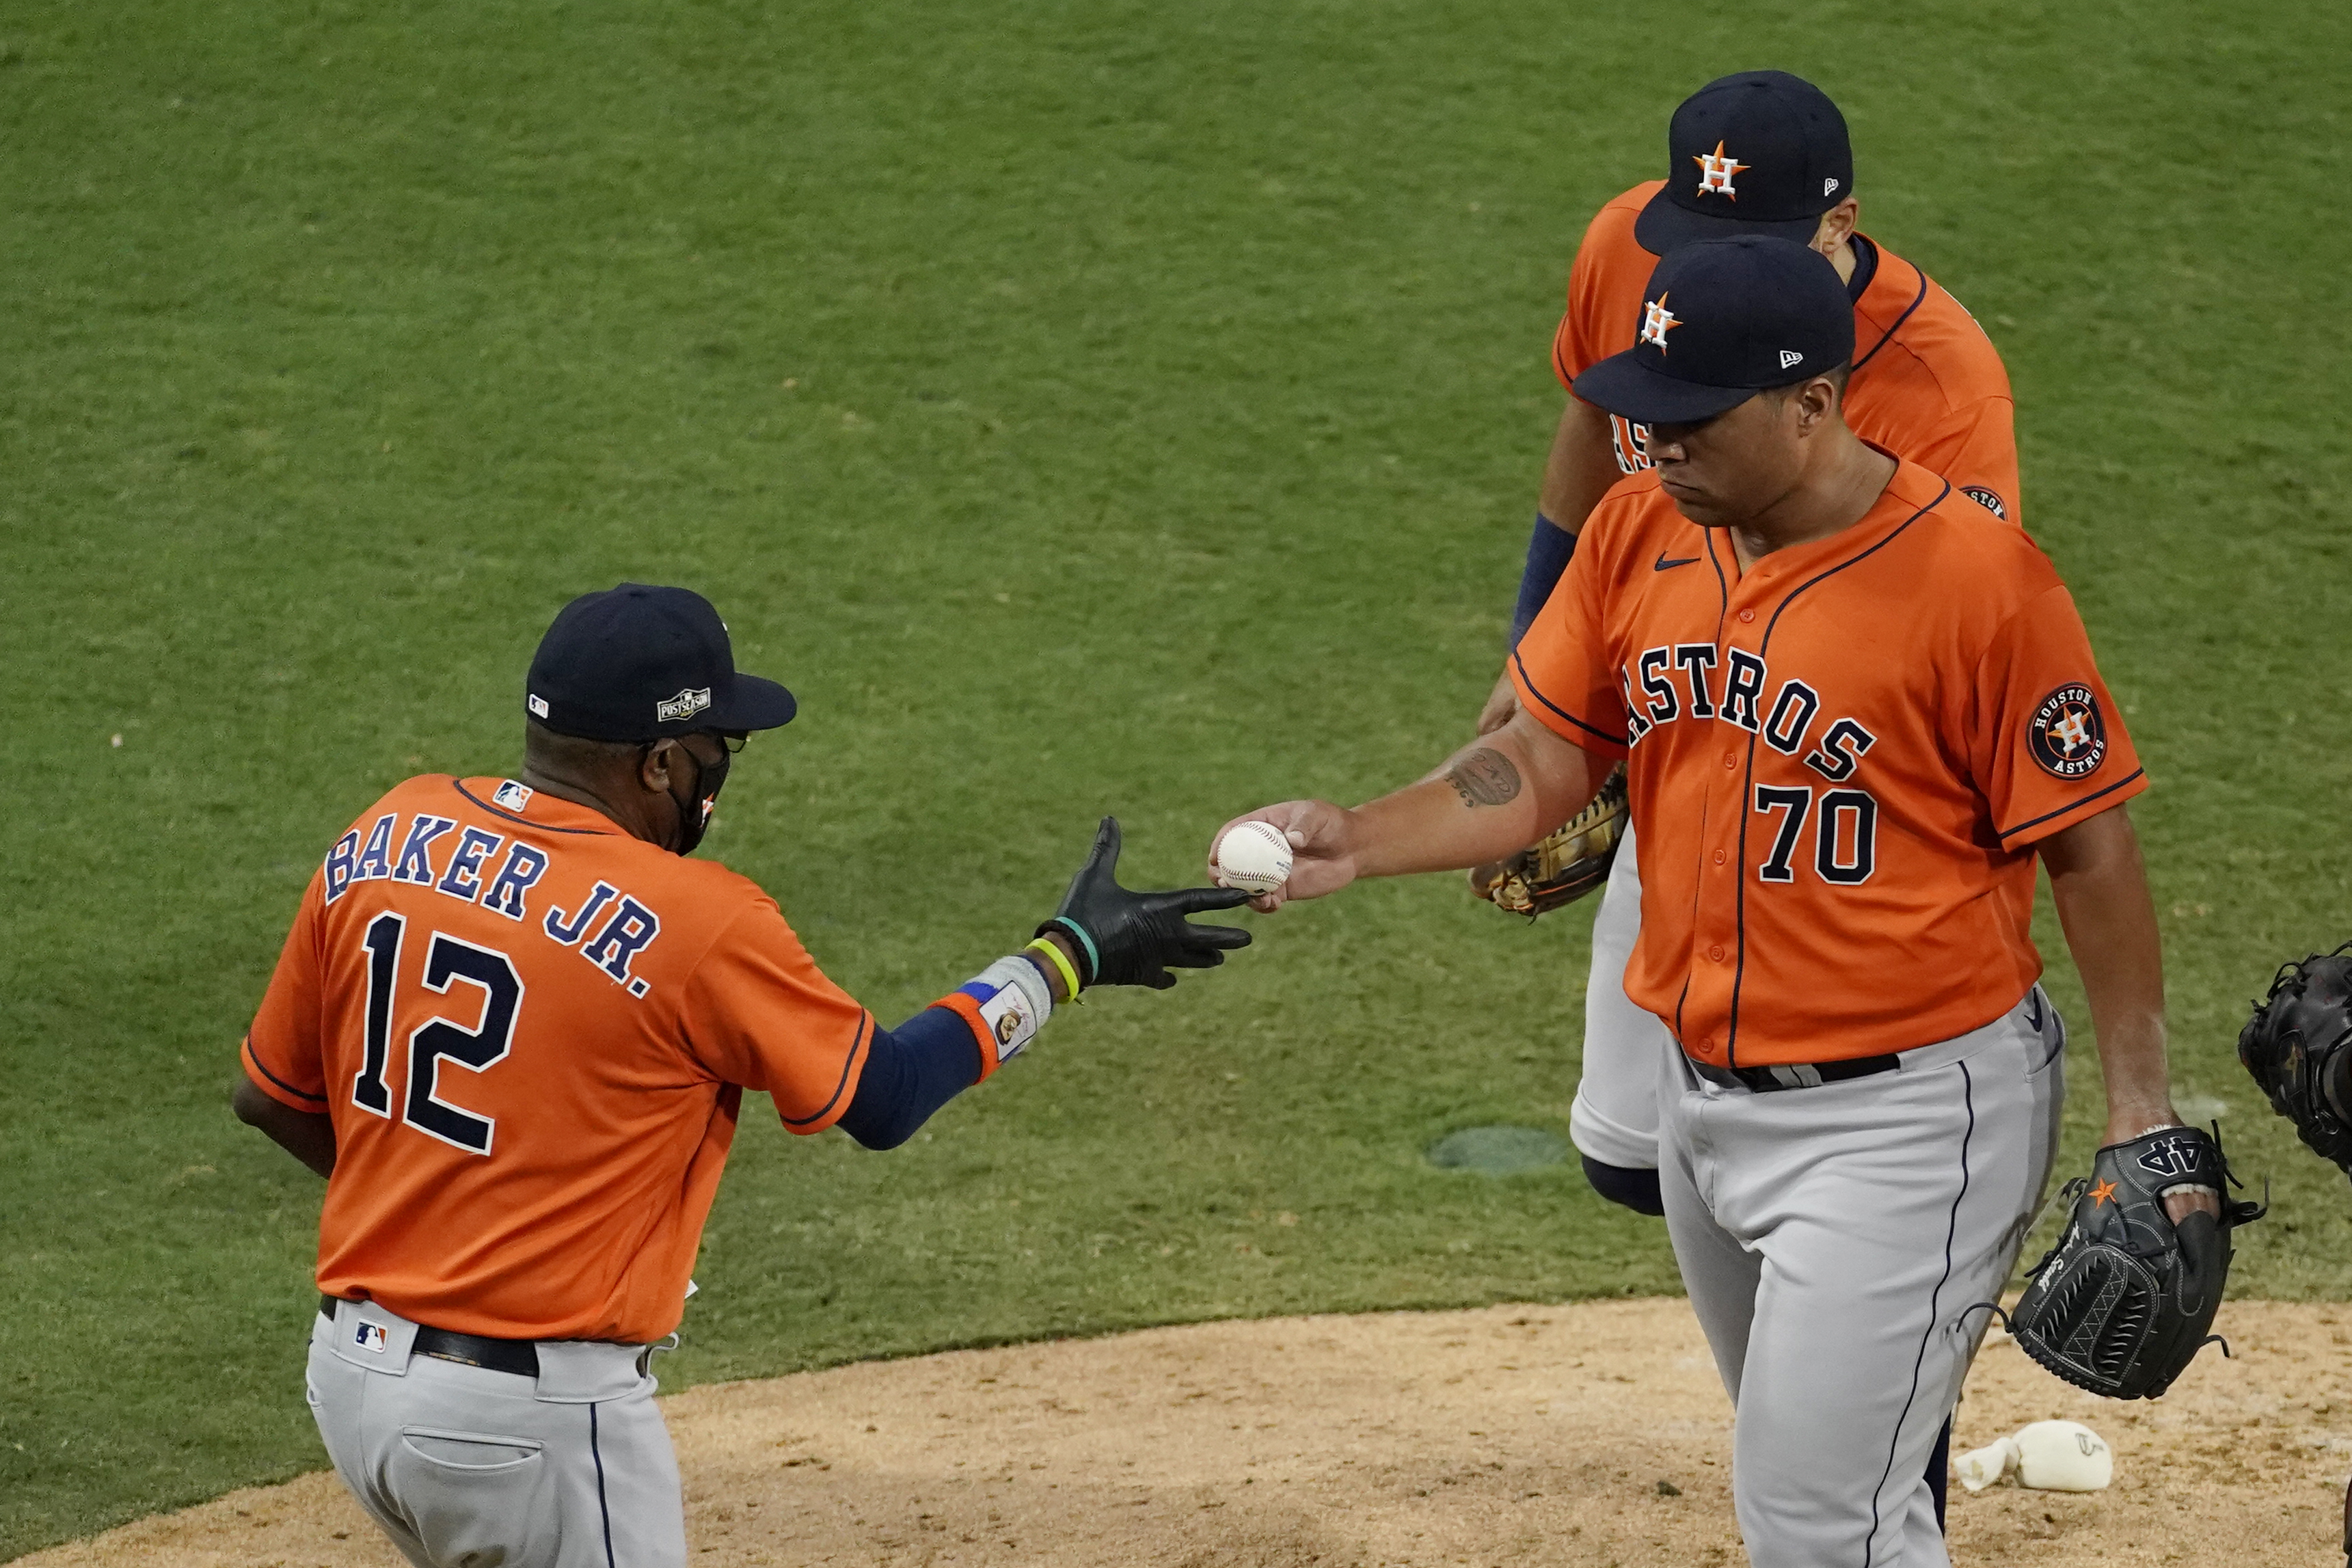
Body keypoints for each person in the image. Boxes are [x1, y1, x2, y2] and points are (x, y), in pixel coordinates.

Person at [1215, 239, 2218, 1567]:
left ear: (1811, 400)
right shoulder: (1640, 530)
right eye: (1646, 410)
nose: (1654, 443)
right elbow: (1545, 752)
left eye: (1693, 420)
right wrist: (1363, 833)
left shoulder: (1978, 582)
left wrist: (2137, 1105)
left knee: (1816, 1523)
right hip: (1700, 1101)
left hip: (1908, 1123)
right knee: (1829, 1488)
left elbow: (2090, 849)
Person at [232, 583, 1250, 1568]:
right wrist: (1066, 955)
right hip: (527, 1422)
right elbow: (884, 1095)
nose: (722, 773)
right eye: (720, 749)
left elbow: (273, 1095)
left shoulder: (387, 830)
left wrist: (454, 1218)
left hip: (352, 1385)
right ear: (662, 761)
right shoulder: (697, 918)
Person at [1476, 70, 2021, 1226]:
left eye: (1762, 241)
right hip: (1687, 727)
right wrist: (1543, 662)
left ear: (1842, 226)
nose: (1715, 272)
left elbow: (1956, 628)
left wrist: (1679, 711)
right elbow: (1591, 413)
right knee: (1628, 1156)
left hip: (1832, 793)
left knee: (1808, 1133)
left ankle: (1870, 1370)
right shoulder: (1627, 252)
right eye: (1697, 236)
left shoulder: (1941, 380)